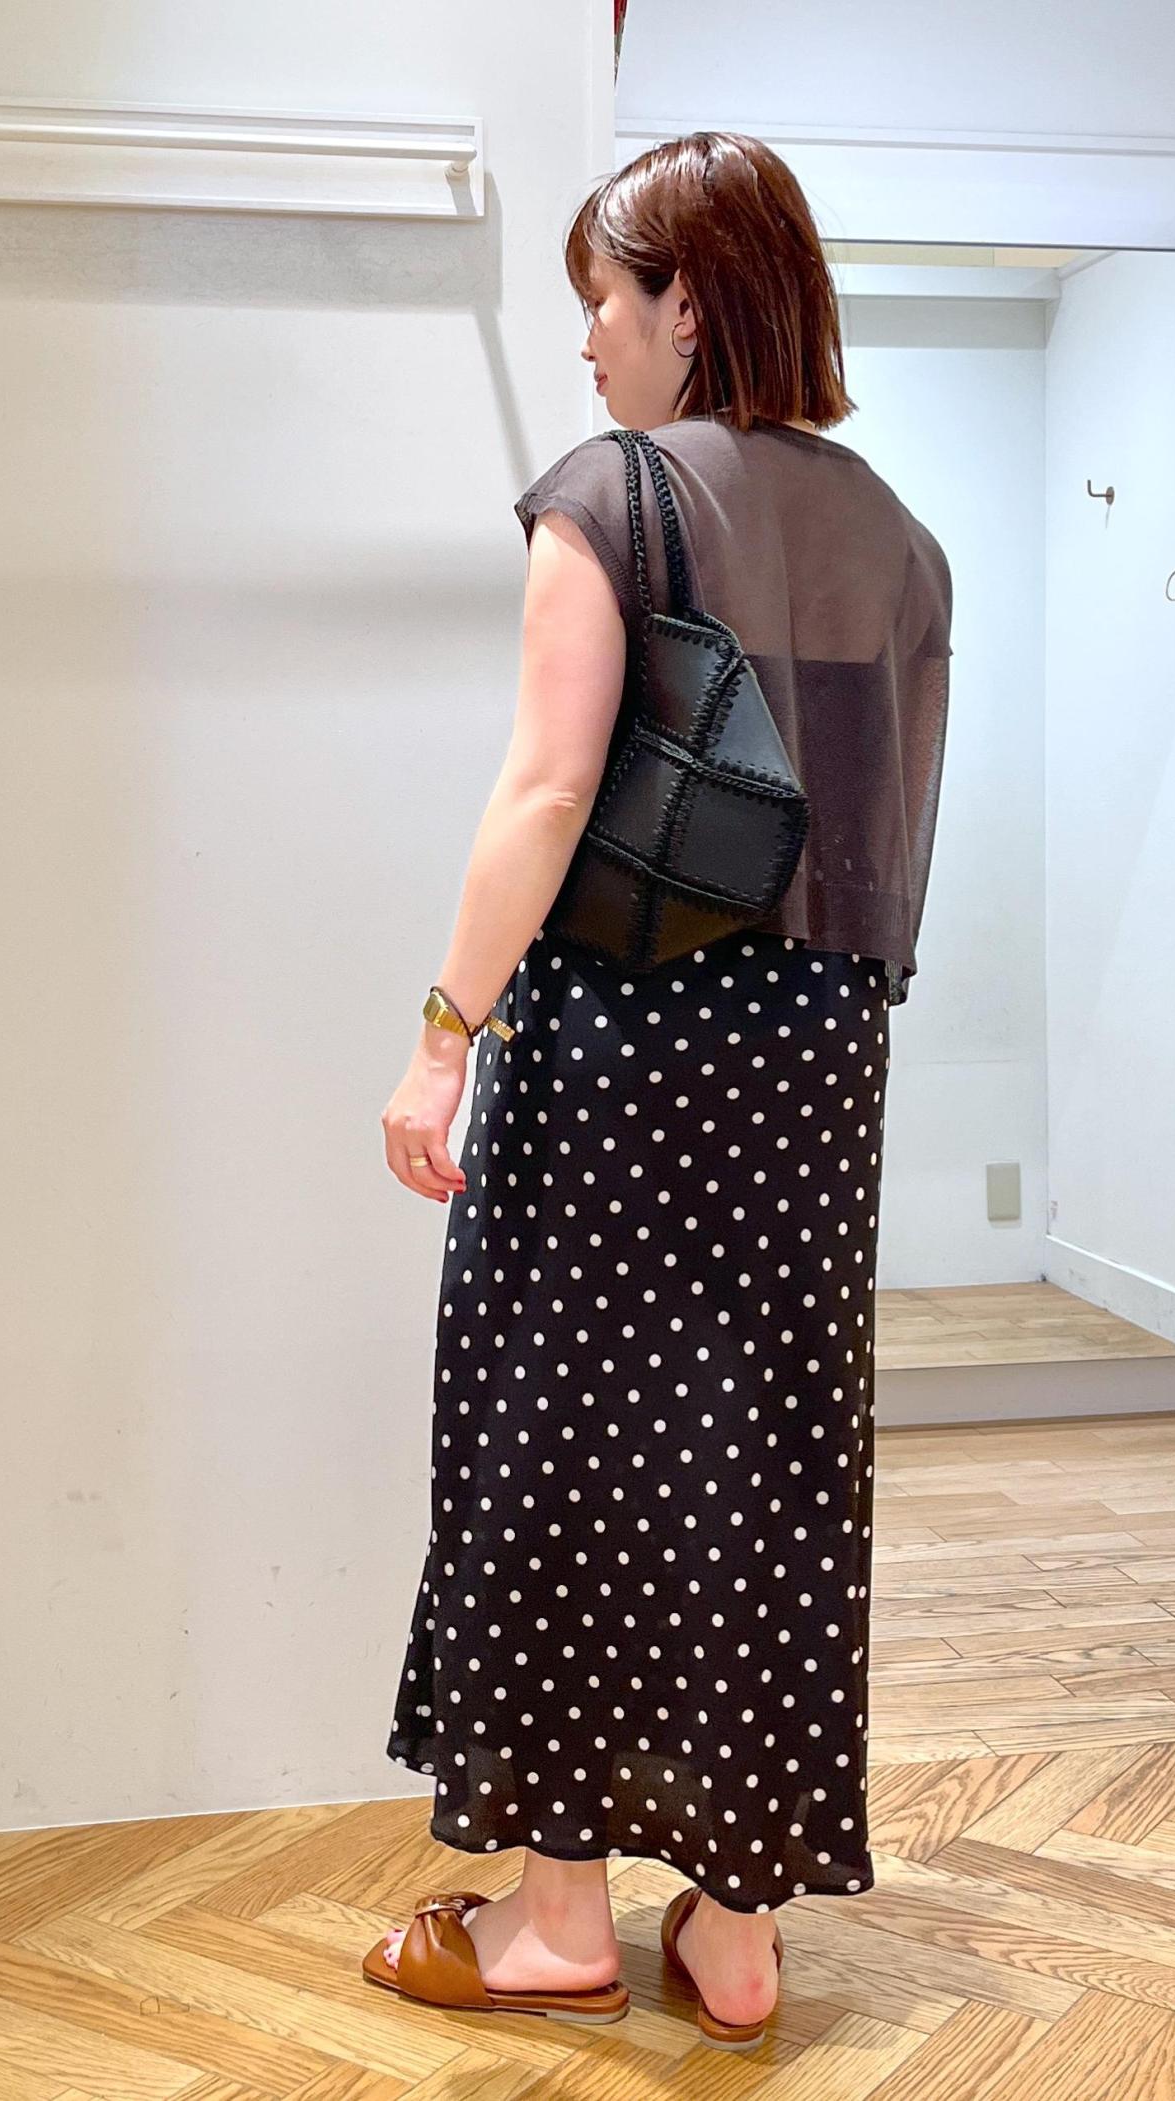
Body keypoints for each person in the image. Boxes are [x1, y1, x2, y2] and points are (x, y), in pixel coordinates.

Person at [365, 129, 952, 2051]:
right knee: (766, 1460)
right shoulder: (899, 536)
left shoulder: (610, 497)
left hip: (626, 1046)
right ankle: (739, 1925)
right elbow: (883, 853)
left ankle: (555, 1919)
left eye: (603, 301)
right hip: (814, 1066)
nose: (589, 342)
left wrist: (443, 1034)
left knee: (553, 1443)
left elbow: (548, 791)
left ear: (686, 303)